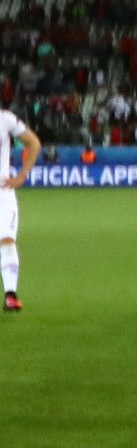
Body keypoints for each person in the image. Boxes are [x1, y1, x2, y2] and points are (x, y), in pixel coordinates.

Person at [0, 106, 41, 312]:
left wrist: (22, 175)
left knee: (7, 239)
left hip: (2, 190)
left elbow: (33, 143)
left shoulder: (5, 119)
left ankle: (10, 295)